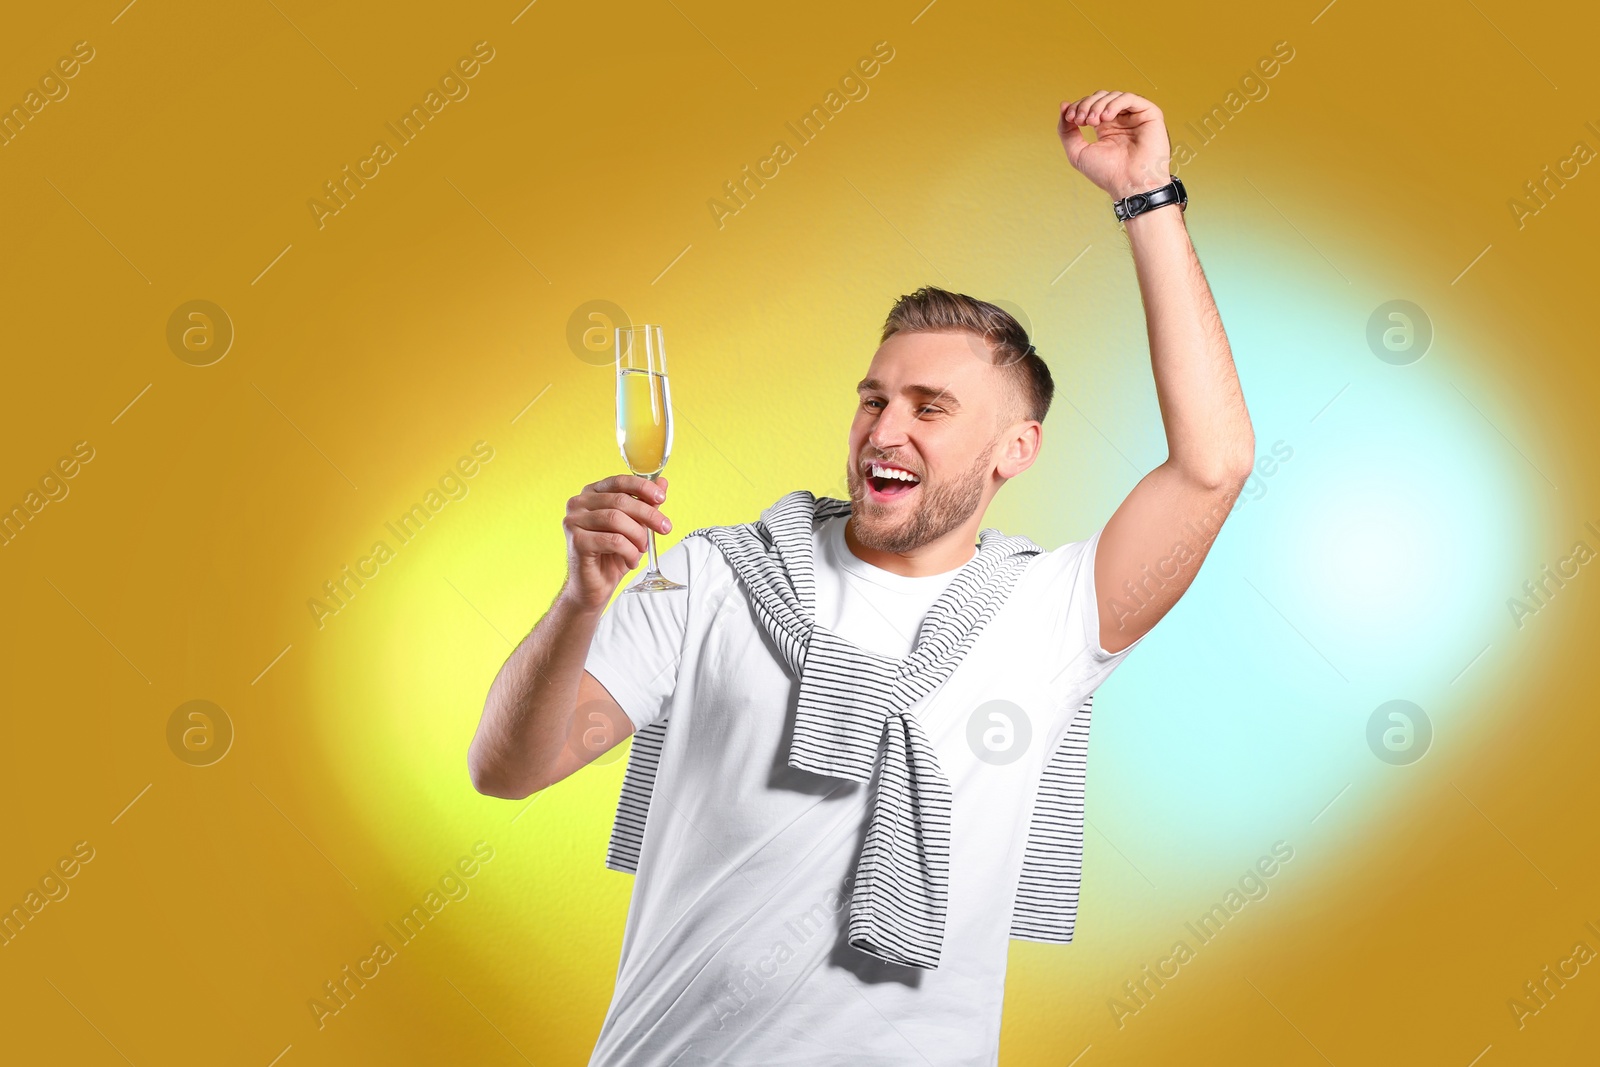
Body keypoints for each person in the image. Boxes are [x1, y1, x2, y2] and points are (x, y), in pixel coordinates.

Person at [468, 89, 1254, 1066]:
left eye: (930, 408)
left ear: (1015, 449)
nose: (884, 430)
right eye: (874, 399)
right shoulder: (713, 577)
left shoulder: (1051, 614)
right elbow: (506, 769)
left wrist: (1147, 199)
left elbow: (1211, 466)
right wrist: (581, 600)